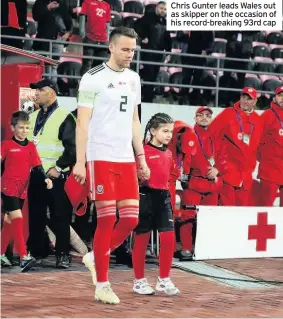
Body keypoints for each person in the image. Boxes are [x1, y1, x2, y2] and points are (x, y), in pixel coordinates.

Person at [73, 26, 150, 304]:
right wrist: (81, 161)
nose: (130, 54)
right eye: (125, 49)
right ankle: (103, 284)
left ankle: (95, 257)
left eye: (133, 50)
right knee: (106, 219)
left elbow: (134, 121)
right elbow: (82, 123)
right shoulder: (92, 78)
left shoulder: (133, 79)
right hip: (100, 155)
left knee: (130, 219)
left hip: (125, 157)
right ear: (112, 47)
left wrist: (140, 156)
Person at [27, 79, 75, 268]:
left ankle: (63, 254)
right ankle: (37, 252)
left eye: (41, 90)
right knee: (36, 215)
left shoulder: (65, 116)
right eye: (36, 90)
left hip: (57, 176)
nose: (36, 93)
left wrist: (59, 167)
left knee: (60, 216)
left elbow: (73, 148)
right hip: (36, 175)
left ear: (52, 93)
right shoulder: (32, 117)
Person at [131, 113, 180, 296]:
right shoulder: (141, 152)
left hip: (163, 198)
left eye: (171, 132)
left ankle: (164, 279)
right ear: (152, 131)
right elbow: (133, 177)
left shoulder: (168, 153)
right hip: (145, 198)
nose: (168, 135)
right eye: (164, 131)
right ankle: (139, 281)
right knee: (141, 241)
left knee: (168, 239)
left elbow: (171, 176)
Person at [1, 111, 53, 271]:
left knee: (9, 221)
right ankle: (24, 256)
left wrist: (46, 178)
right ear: (13, 128)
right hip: (8, 187)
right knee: (17, 218)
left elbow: (37, 165)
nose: (24, 130)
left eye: (27, 127)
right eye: (21, 127)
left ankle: (1, 253)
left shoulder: (30, 146)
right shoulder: (7, 145)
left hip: (22, 189)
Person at [209, 87, 263, 206]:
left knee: (241, 213)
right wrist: (216, 164)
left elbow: (260, 147)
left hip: (246, 175)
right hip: (228, 171)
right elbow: (211, 136)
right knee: (226, 210)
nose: (245, 101)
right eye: (243, 97)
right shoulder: (228, 113)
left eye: (249, 99)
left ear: (254, 101)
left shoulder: (258, 120)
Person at [134, 1, 171, 103]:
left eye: (165, 9)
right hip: (148, 52)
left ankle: (147, 98)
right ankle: (146, 99)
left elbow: (168, 39)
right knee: (149, 76)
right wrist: (142, 37)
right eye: (161, 8)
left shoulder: (165, 22)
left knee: (154, 76)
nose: (163, 11)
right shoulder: (148, 17)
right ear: (156, 8)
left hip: (158, 54)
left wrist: (169, 52)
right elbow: (136, 26)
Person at [257, 85, 283, 207]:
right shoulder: (267, 116)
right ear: (274, 98)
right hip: (270, 170)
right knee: (264, 207)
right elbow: (256, 141)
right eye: (280, 95)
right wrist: (266, 160)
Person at [79, 0, 111, 75]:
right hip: (90, 38)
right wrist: (82, 34)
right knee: (87, 64)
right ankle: (83, 84)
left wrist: (107, 38)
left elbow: (107, 23)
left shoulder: (107, 5)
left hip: (103, 40)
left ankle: (95, 84)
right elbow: (82, 17)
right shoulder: (87, 2)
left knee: (99, 66)